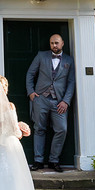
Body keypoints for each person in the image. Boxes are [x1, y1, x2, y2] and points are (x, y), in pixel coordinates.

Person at [26, 33, 74, 172]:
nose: (54, 45)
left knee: (62, 129)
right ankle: (38, 160)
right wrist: (31, 92)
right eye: (52, 43)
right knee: (39, 129)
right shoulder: (41, 56)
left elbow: (71, 82)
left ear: (62, 43)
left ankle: (54, 160)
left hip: (59, 102)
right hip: (40, 99)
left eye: (57, 43)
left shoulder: (69, 60)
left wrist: (66, 101)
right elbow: (30, 74)